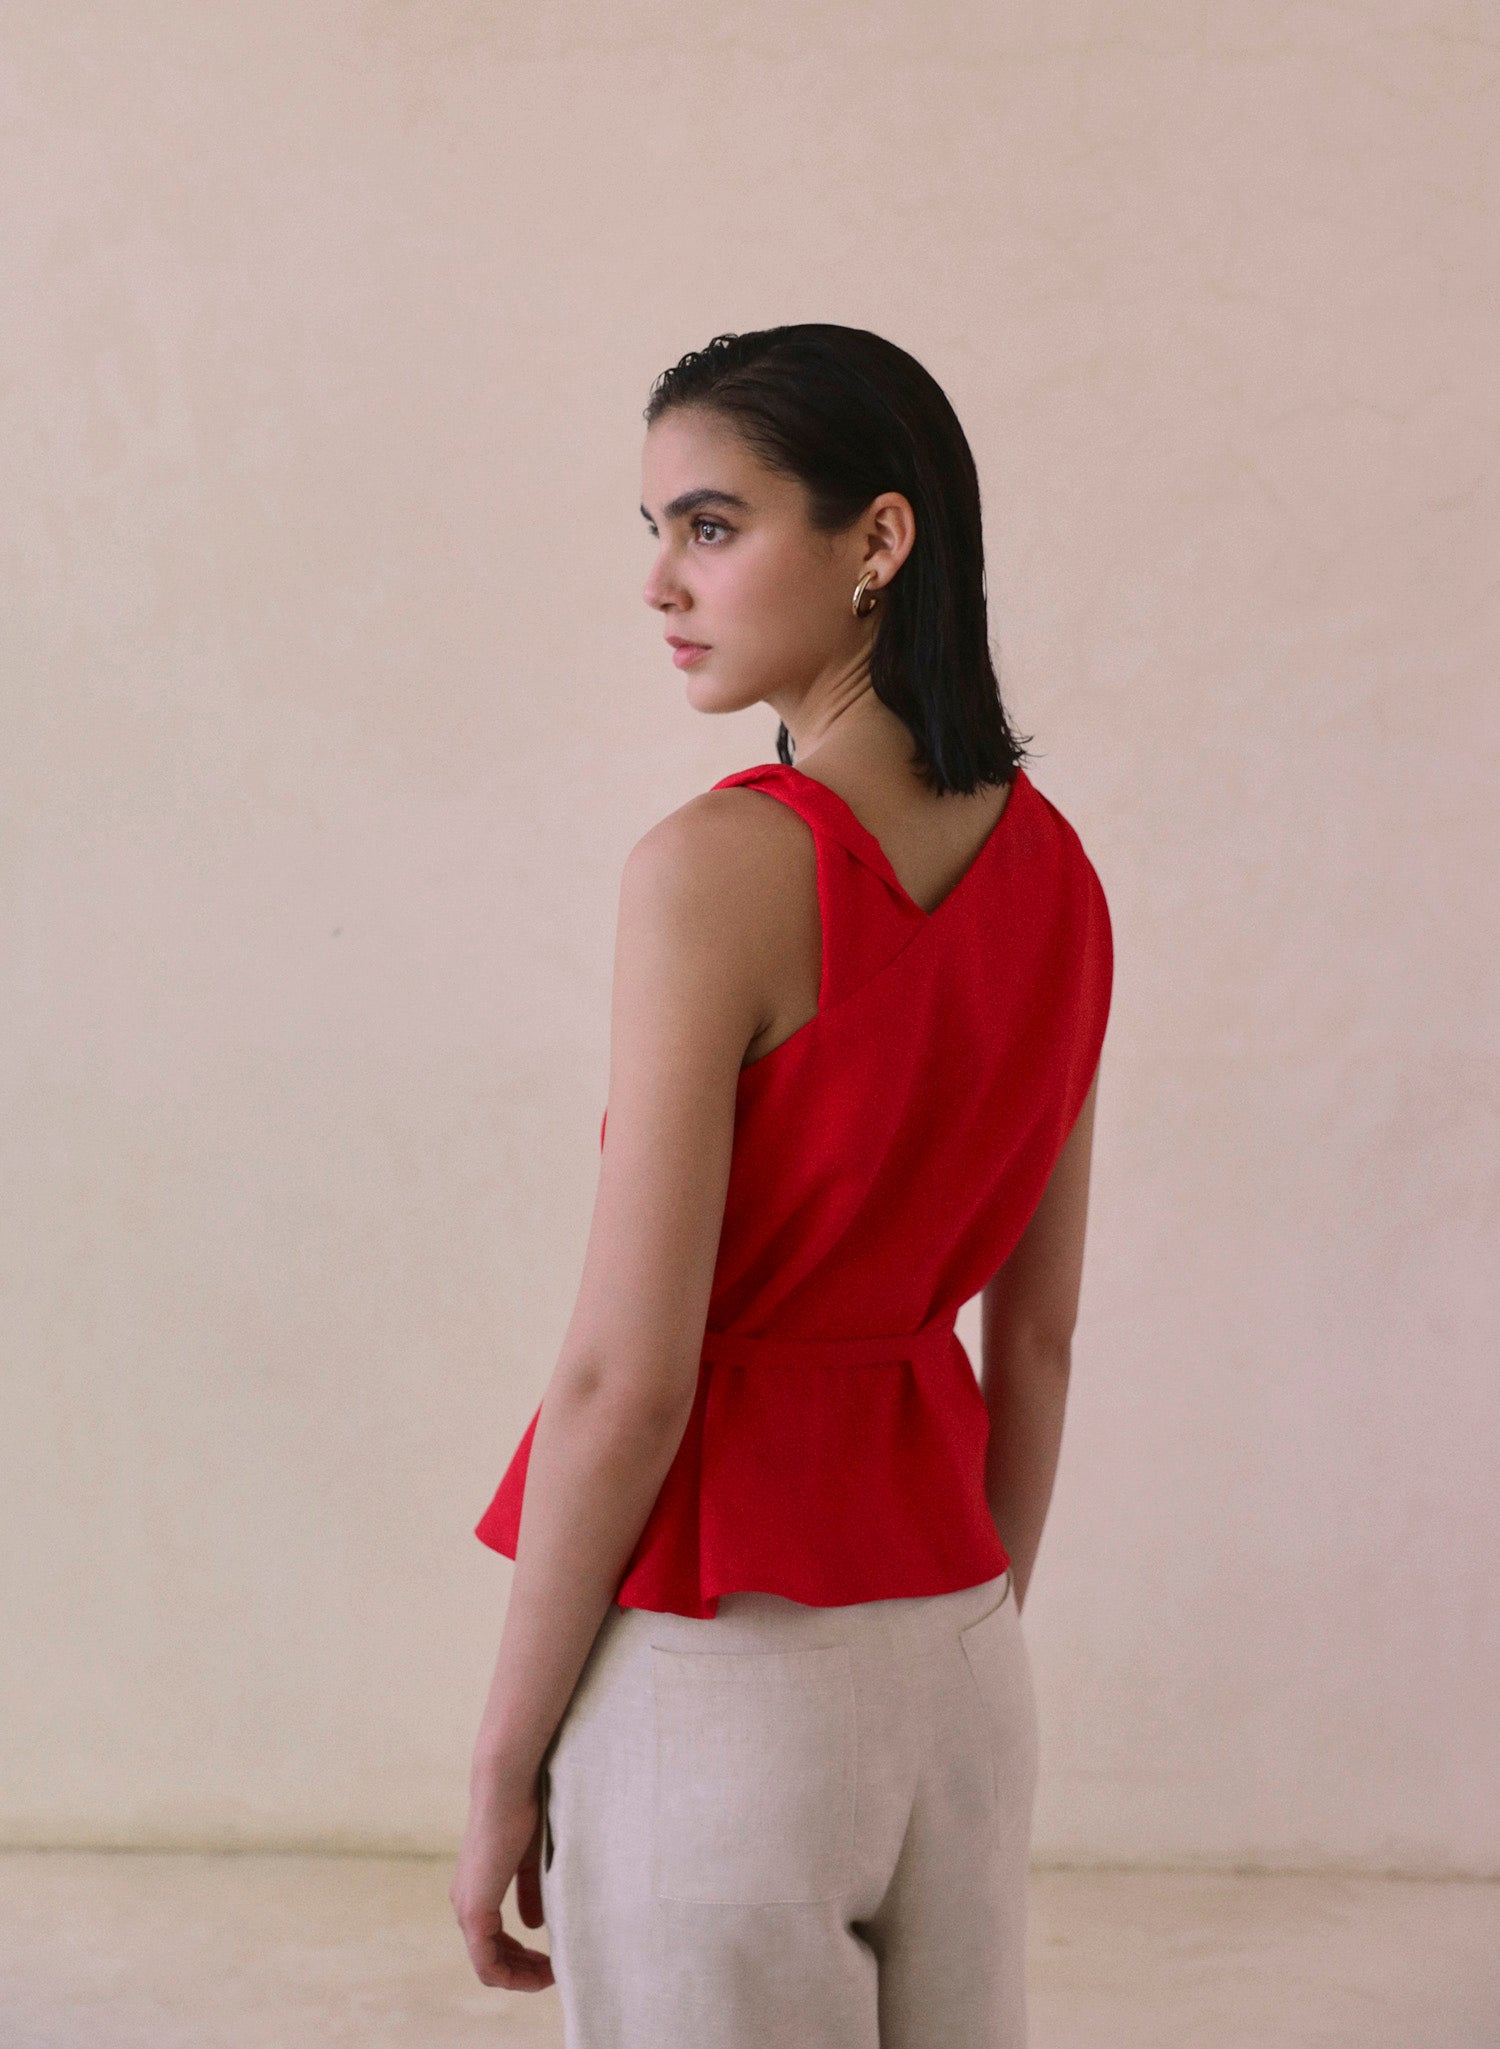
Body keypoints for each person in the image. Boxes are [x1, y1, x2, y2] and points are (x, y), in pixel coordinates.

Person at [450, 323, 1113, 2048]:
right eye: (657, 532)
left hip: (721, 1679)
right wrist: (966, 1640)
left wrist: (502, 1763)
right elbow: (1037, 1339)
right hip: (965, 1664)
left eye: (713, 525)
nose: (661, 583)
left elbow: (626, 1378)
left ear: (878, 538)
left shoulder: (716, 870)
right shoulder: (1060, 874)